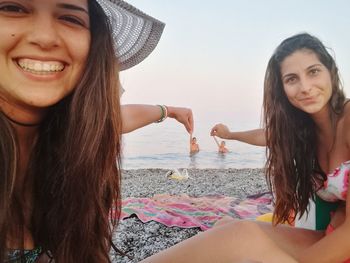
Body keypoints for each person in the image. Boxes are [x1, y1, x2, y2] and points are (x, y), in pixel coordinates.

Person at [0, 0, 193, 262]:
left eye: (70, 18)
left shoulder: (69, 142)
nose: (44, 37)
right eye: (12, 8)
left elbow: (112, 120)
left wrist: (167, 110)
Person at [141, 33, 350, 263]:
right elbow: (270, 136)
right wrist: (230, 135)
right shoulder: (304, 130)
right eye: (292, 79)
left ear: (330, 71)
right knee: (230, 231)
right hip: (327, 236)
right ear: (282, 89)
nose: (305, 87)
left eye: (313, 72)